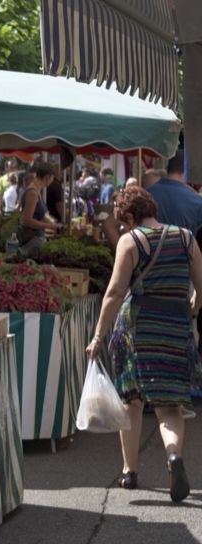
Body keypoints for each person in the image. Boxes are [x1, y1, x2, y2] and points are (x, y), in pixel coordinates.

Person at [86, 186, 202, 502]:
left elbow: (113, 293)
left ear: (129, 216)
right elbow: (199, 287)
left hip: (136, 328)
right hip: (175, 328)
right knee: (170, 406)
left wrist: (98, 335)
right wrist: (194, 304)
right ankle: (174, 455)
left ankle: (130, 471)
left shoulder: (131, 241)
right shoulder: (187, 238)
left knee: (132, 401)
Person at [147, 153, 202, 236]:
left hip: (148, 247)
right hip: (183, 247)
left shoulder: (146, 194)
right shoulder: (196, 201)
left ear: (167, 169)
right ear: (186, 171)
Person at [18, 163, 66, 254]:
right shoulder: (32, 192)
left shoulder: (36, 190)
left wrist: (54, 224)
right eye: (52, 178)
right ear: (48, 177)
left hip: (36, 239)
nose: (52, 181)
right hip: (31, 241)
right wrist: (50, 226)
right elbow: (26, 220)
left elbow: (41, 215)